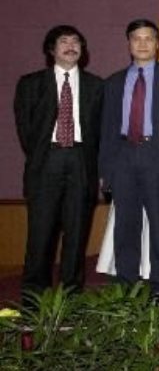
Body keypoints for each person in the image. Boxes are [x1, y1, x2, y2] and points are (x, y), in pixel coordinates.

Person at [14, 25, 103, 298]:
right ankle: (34, 296)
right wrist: (47, 154)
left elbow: (100, 129)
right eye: (63, 41)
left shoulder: (96, 86)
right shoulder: (30, 84)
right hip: (46, 161)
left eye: (76, 41)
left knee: (76, 234)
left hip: (81, 161)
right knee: (40, 233)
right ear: (51, 49)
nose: (71, 46)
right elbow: (26, 129)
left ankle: (71, 295)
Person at [99, 19, 159, 294]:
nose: (143, 43)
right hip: (123, 157)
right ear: (128, 43)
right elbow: (107, 129)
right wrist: (106, 170)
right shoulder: (113, 82)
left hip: (158, 156)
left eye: (149, 38)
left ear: (157, 43)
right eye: (136, 38)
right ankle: (127, 284)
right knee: (126, 225)